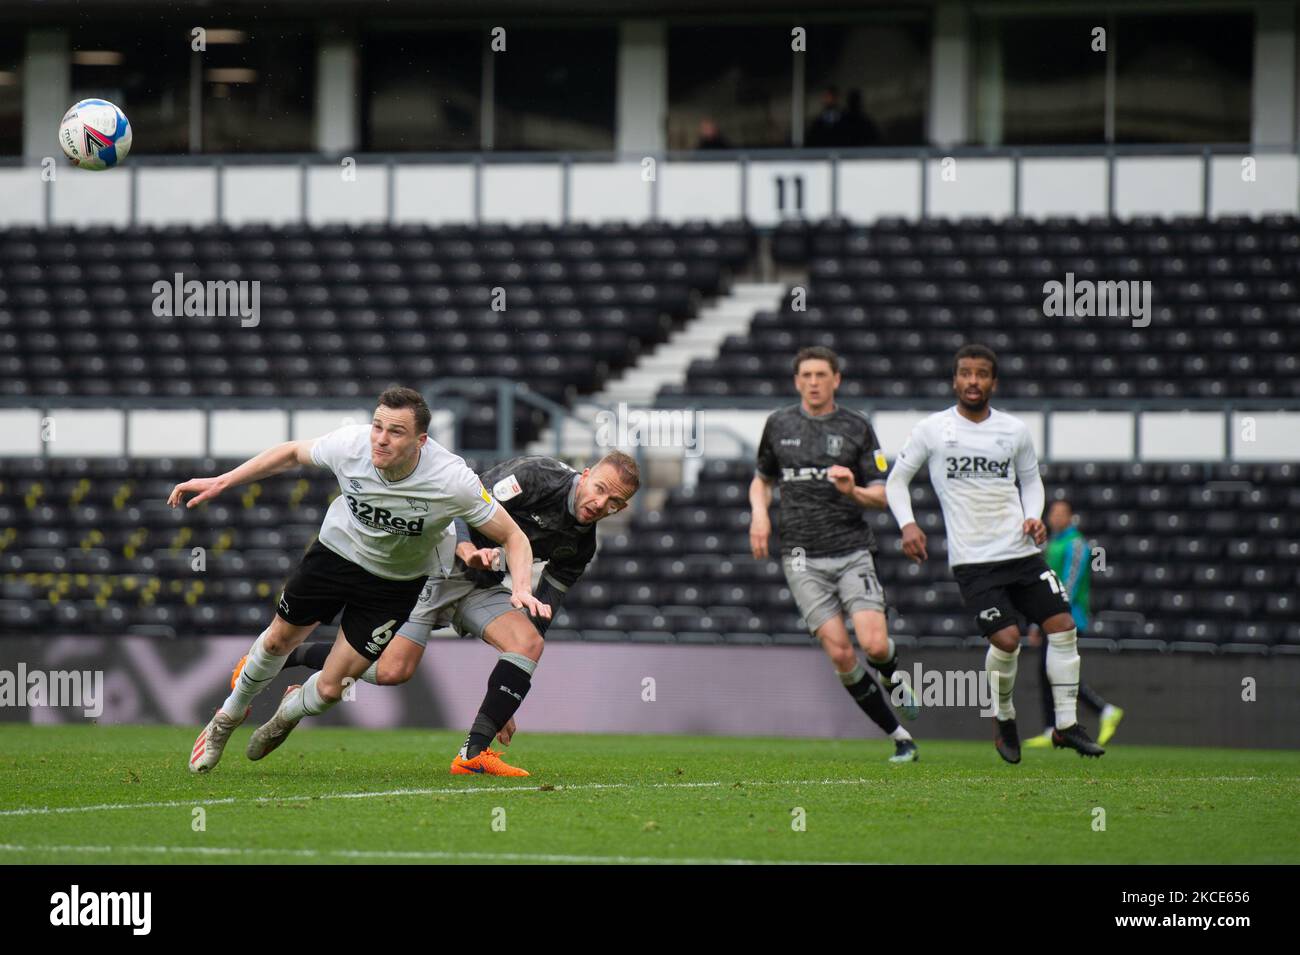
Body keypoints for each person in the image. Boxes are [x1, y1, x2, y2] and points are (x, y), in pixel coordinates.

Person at [178, 386, 547, 774]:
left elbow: (513, 536)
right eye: (378, 427)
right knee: (277, 639)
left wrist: (521, 587)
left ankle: (287, 714)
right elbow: (290, 453)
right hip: (336, 556)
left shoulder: (452, 479)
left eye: (396, 432)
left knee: (330, 688)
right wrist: (224, 480)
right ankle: (227, 717)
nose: (381, 439)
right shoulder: (350, 445)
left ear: (421, 441)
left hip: (395, 584)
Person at [257, 452, 639, 774]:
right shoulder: (539, 476)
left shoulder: (581, 547)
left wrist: (508, 694)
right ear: (586, 475)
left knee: (528, 643)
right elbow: (461, 503)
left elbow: (542, 609)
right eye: (600, 489)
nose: (601, 504)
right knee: (393, 670)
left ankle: (472, 753)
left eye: (615, 503)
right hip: (436, 567)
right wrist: (468, 550)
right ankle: (293, 656)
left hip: (480, 585)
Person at [885, 344, 1104, 763]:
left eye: (981, 374)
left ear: (993, 382)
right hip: (974, 560)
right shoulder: (933, 430)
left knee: (1062, 626)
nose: (973, 381)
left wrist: (1033, 516)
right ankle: (1003, 714)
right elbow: (897, 482)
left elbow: (1031, 481)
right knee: (1007, 640)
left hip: (1020, 552)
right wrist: (908, 524)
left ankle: (1065, 725)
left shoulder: (1014, 431)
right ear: (954, 380)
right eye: (965, 373)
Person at [750, 346, 921, 764]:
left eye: (821, 375)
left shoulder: (857, 428)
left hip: (851, 551)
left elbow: (882, 496)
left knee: (875, 645)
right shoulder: (778, 424)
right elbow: (761, 480)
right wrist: (759, 516)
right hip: (801, 557)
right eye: (805, 375)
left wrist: (853, 491)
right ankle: (900, 737)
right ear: (796, 381)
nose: (813, 382)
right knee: (842, 655)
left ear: (836, 379)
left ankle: (890, 672)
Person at [1024, 499, 1124, 748]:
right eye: (1052, 513)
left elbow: (1069, 582)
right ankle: (1052, 728)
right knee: (1048, 670)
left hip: (1068, 616)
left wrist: (1054, 613)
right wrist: (1038, 622)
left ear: (1070, 517)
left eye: (1061, 513)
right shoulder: (1053, 543)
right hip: (1049, 616)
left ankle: (1104, 710)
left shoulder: (1077, 544)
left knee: (1057, 669)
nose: (1055, 517)